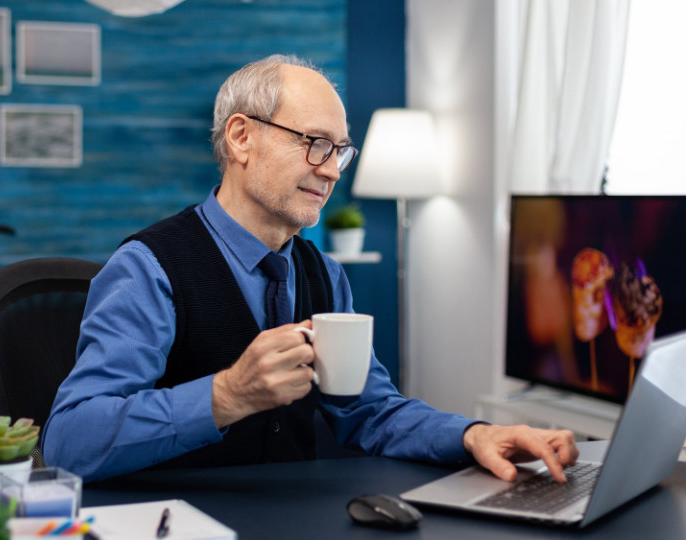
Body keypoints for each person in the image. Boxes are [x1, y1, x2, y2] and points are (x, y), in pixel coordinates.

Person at [43, 54, 578, 484]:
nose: (329, 171)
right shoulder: (147, 268)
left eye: (340, 152)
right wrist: (226, 395)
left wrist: (473, 436)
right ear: (240, 137)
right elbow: (70, 441)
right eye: (314, 143)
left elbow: (370, 410)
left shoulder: (325, 274)